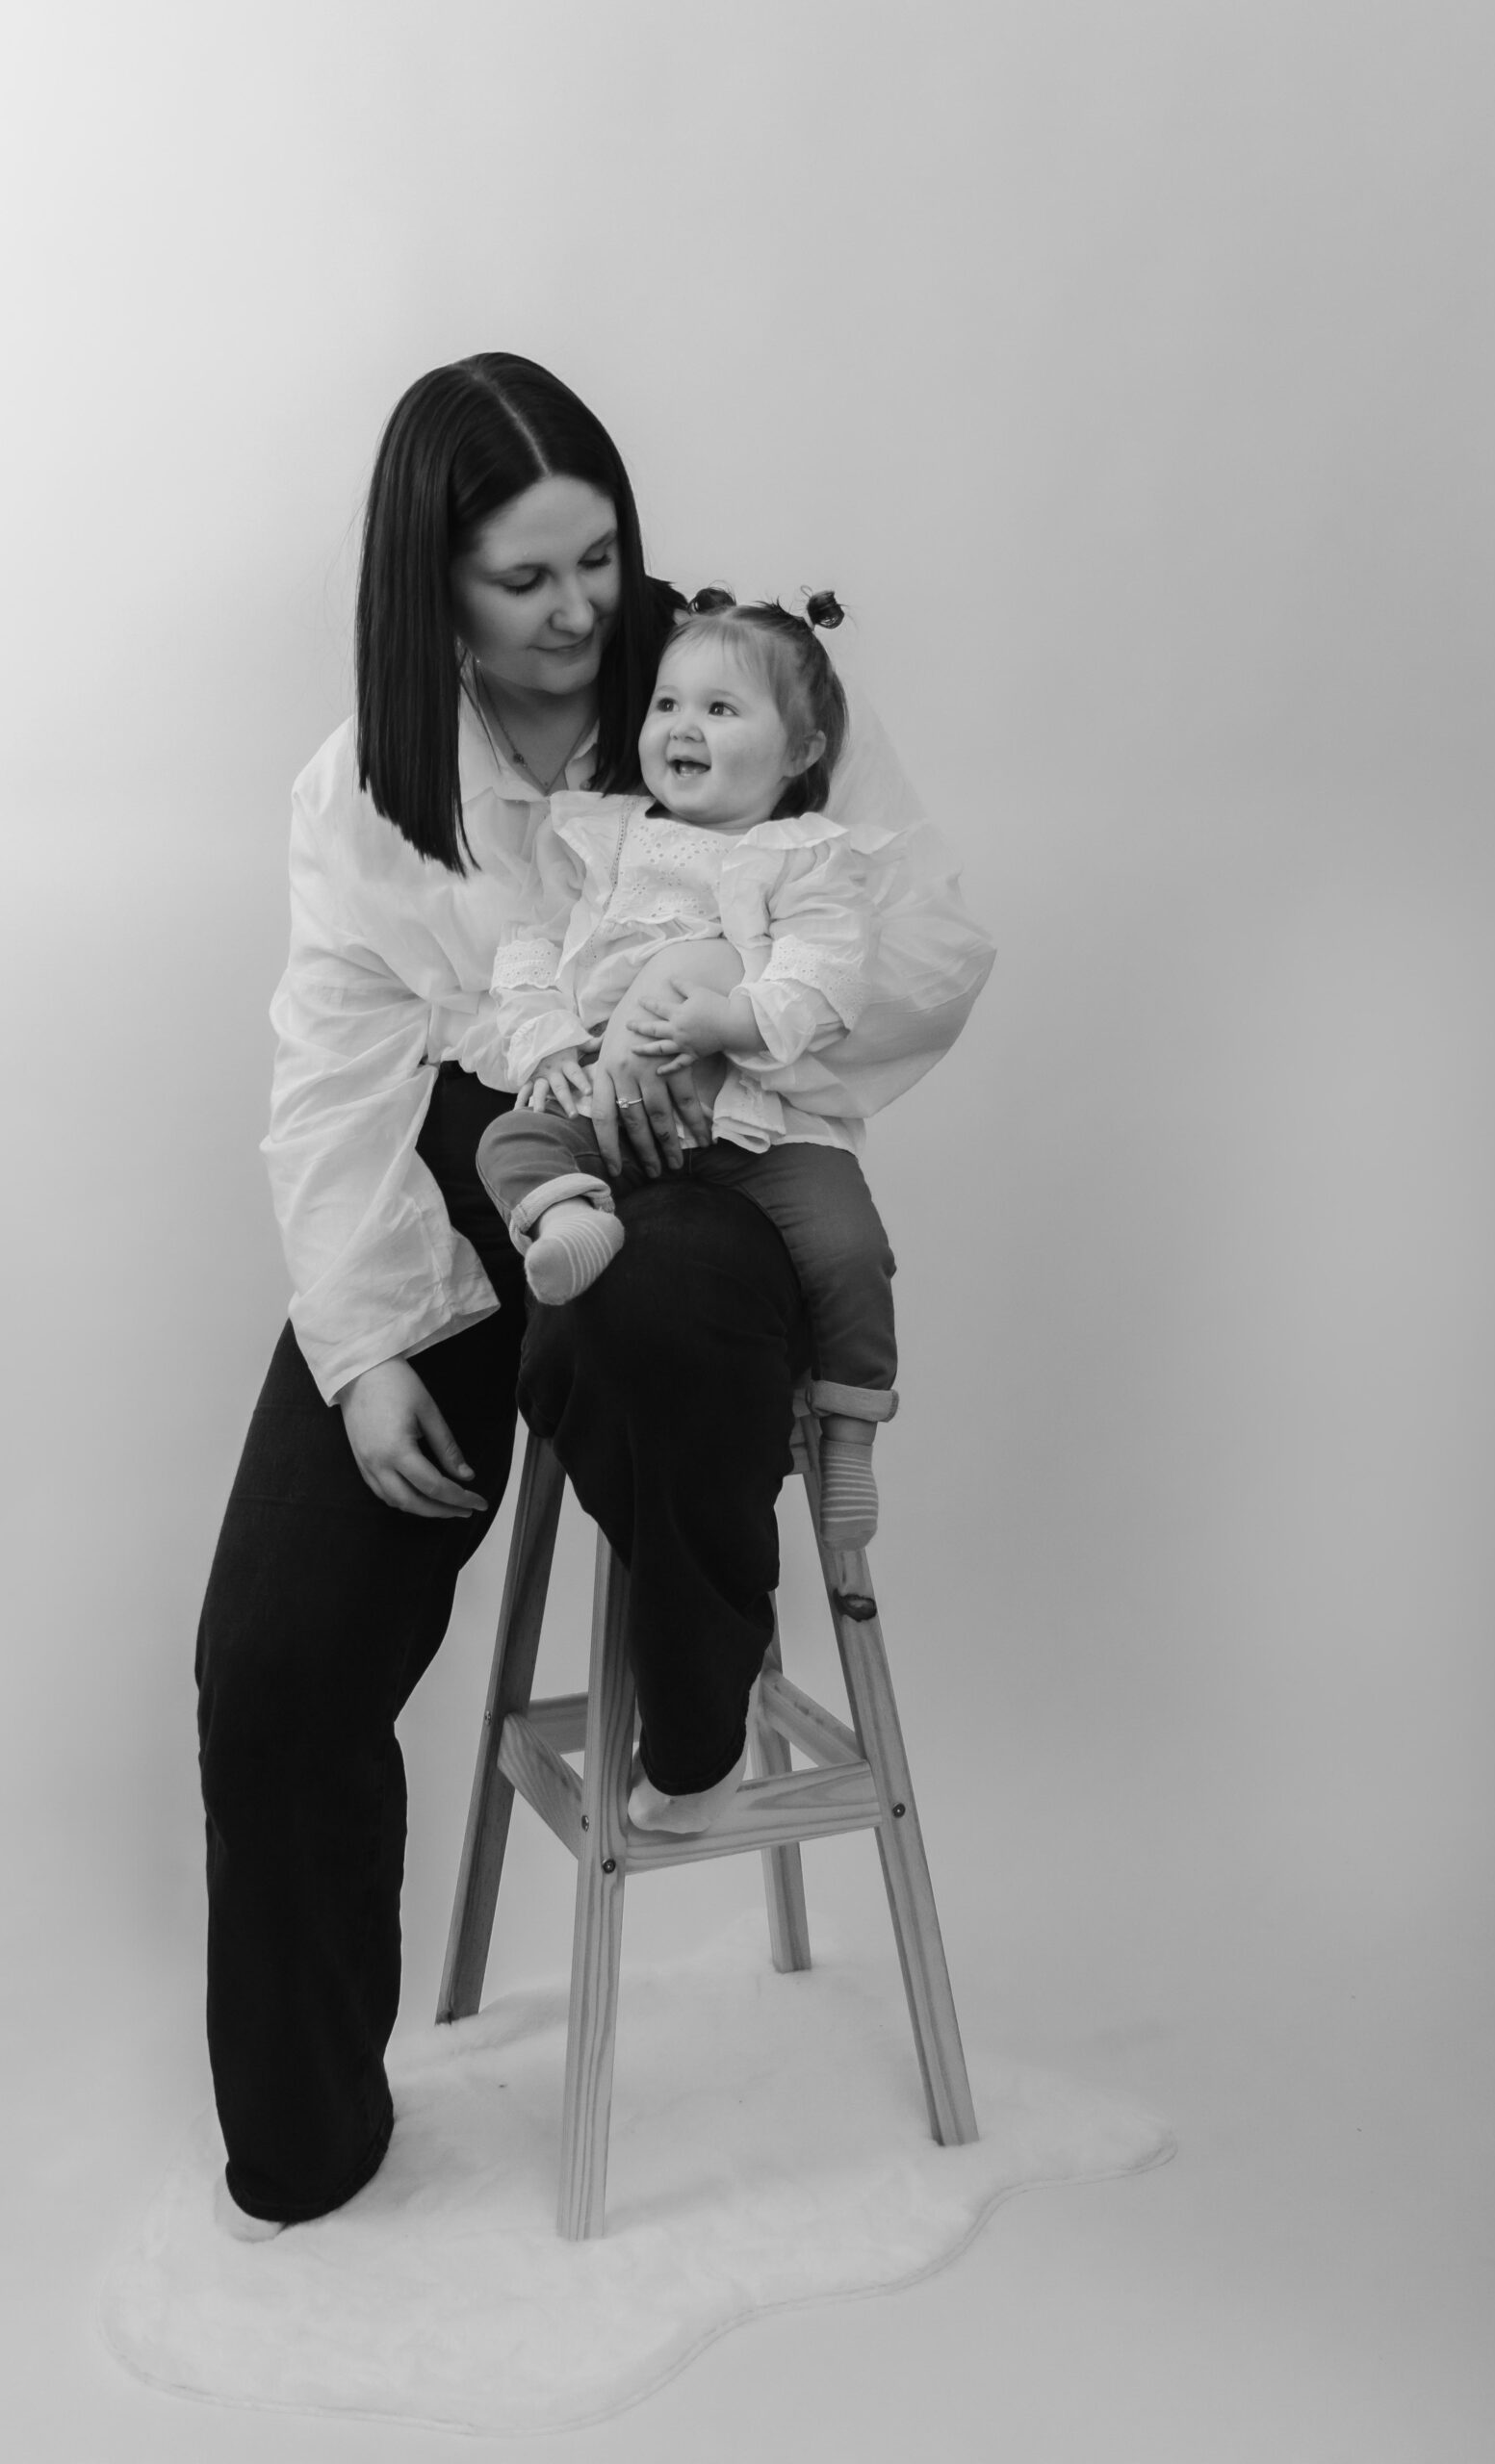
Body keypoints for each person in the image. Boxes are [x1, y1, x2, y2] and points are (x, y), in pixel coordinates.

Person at [193, 351, 991, 2238]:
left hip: (707, 1149)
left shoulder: (738, 680)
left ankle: (702, 1681)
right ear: (430, 584)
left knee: (647, 1321)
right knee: (276, 1662)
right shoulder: (363, 784)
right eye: (525, 578)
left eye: (599, 559)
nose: (577, 612)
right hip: (481, 1169)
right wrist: (366, 1348)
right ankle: (308, 2150)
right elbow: (334, 1083)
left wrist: (733, 1019)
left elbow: (933, 946)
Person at [475, 593, 912, 1611]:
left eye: (721, 709)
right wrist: (549, 1040)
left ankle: (852, 1424)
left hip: (759, 1122)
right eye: (668, 703)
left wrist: (729, 1019)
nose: (682, 726)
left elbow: (826, 981)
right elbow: (529, 946)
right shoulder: (601, 837)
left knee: (849, 1245)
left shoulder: (806, 857)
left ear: (800, 750)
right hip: (615, 1100)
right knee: (511, 1138)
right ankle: (570, 1221)